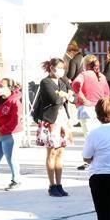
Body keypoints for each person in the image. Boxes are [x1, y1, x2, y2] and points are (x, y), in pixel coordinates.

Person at [33, 58, 74, 197]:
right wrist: (63, 96)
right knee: (52, 153)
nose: (61, 71)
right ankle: (52, 185)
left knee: (61, 152)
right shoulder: (45, 82)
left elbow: (71, 94)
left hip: (63, 120)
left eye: (63, 68)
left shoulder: (63, 81)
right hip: (50, 121)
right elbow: (55, 100)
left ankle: (59, 183)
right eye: (58, 68)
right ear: (51, 68)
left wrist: (65, 95)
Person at [72, 55, 110, 138]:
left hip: (86, 108)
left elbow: (75, 84)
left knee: (89, 137)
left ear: (85, 65)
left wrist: (82, 98)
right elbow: (107, 93)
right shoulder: (102, 76)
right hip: (100, 109)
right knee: (100, 137)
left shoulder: (83, 75)